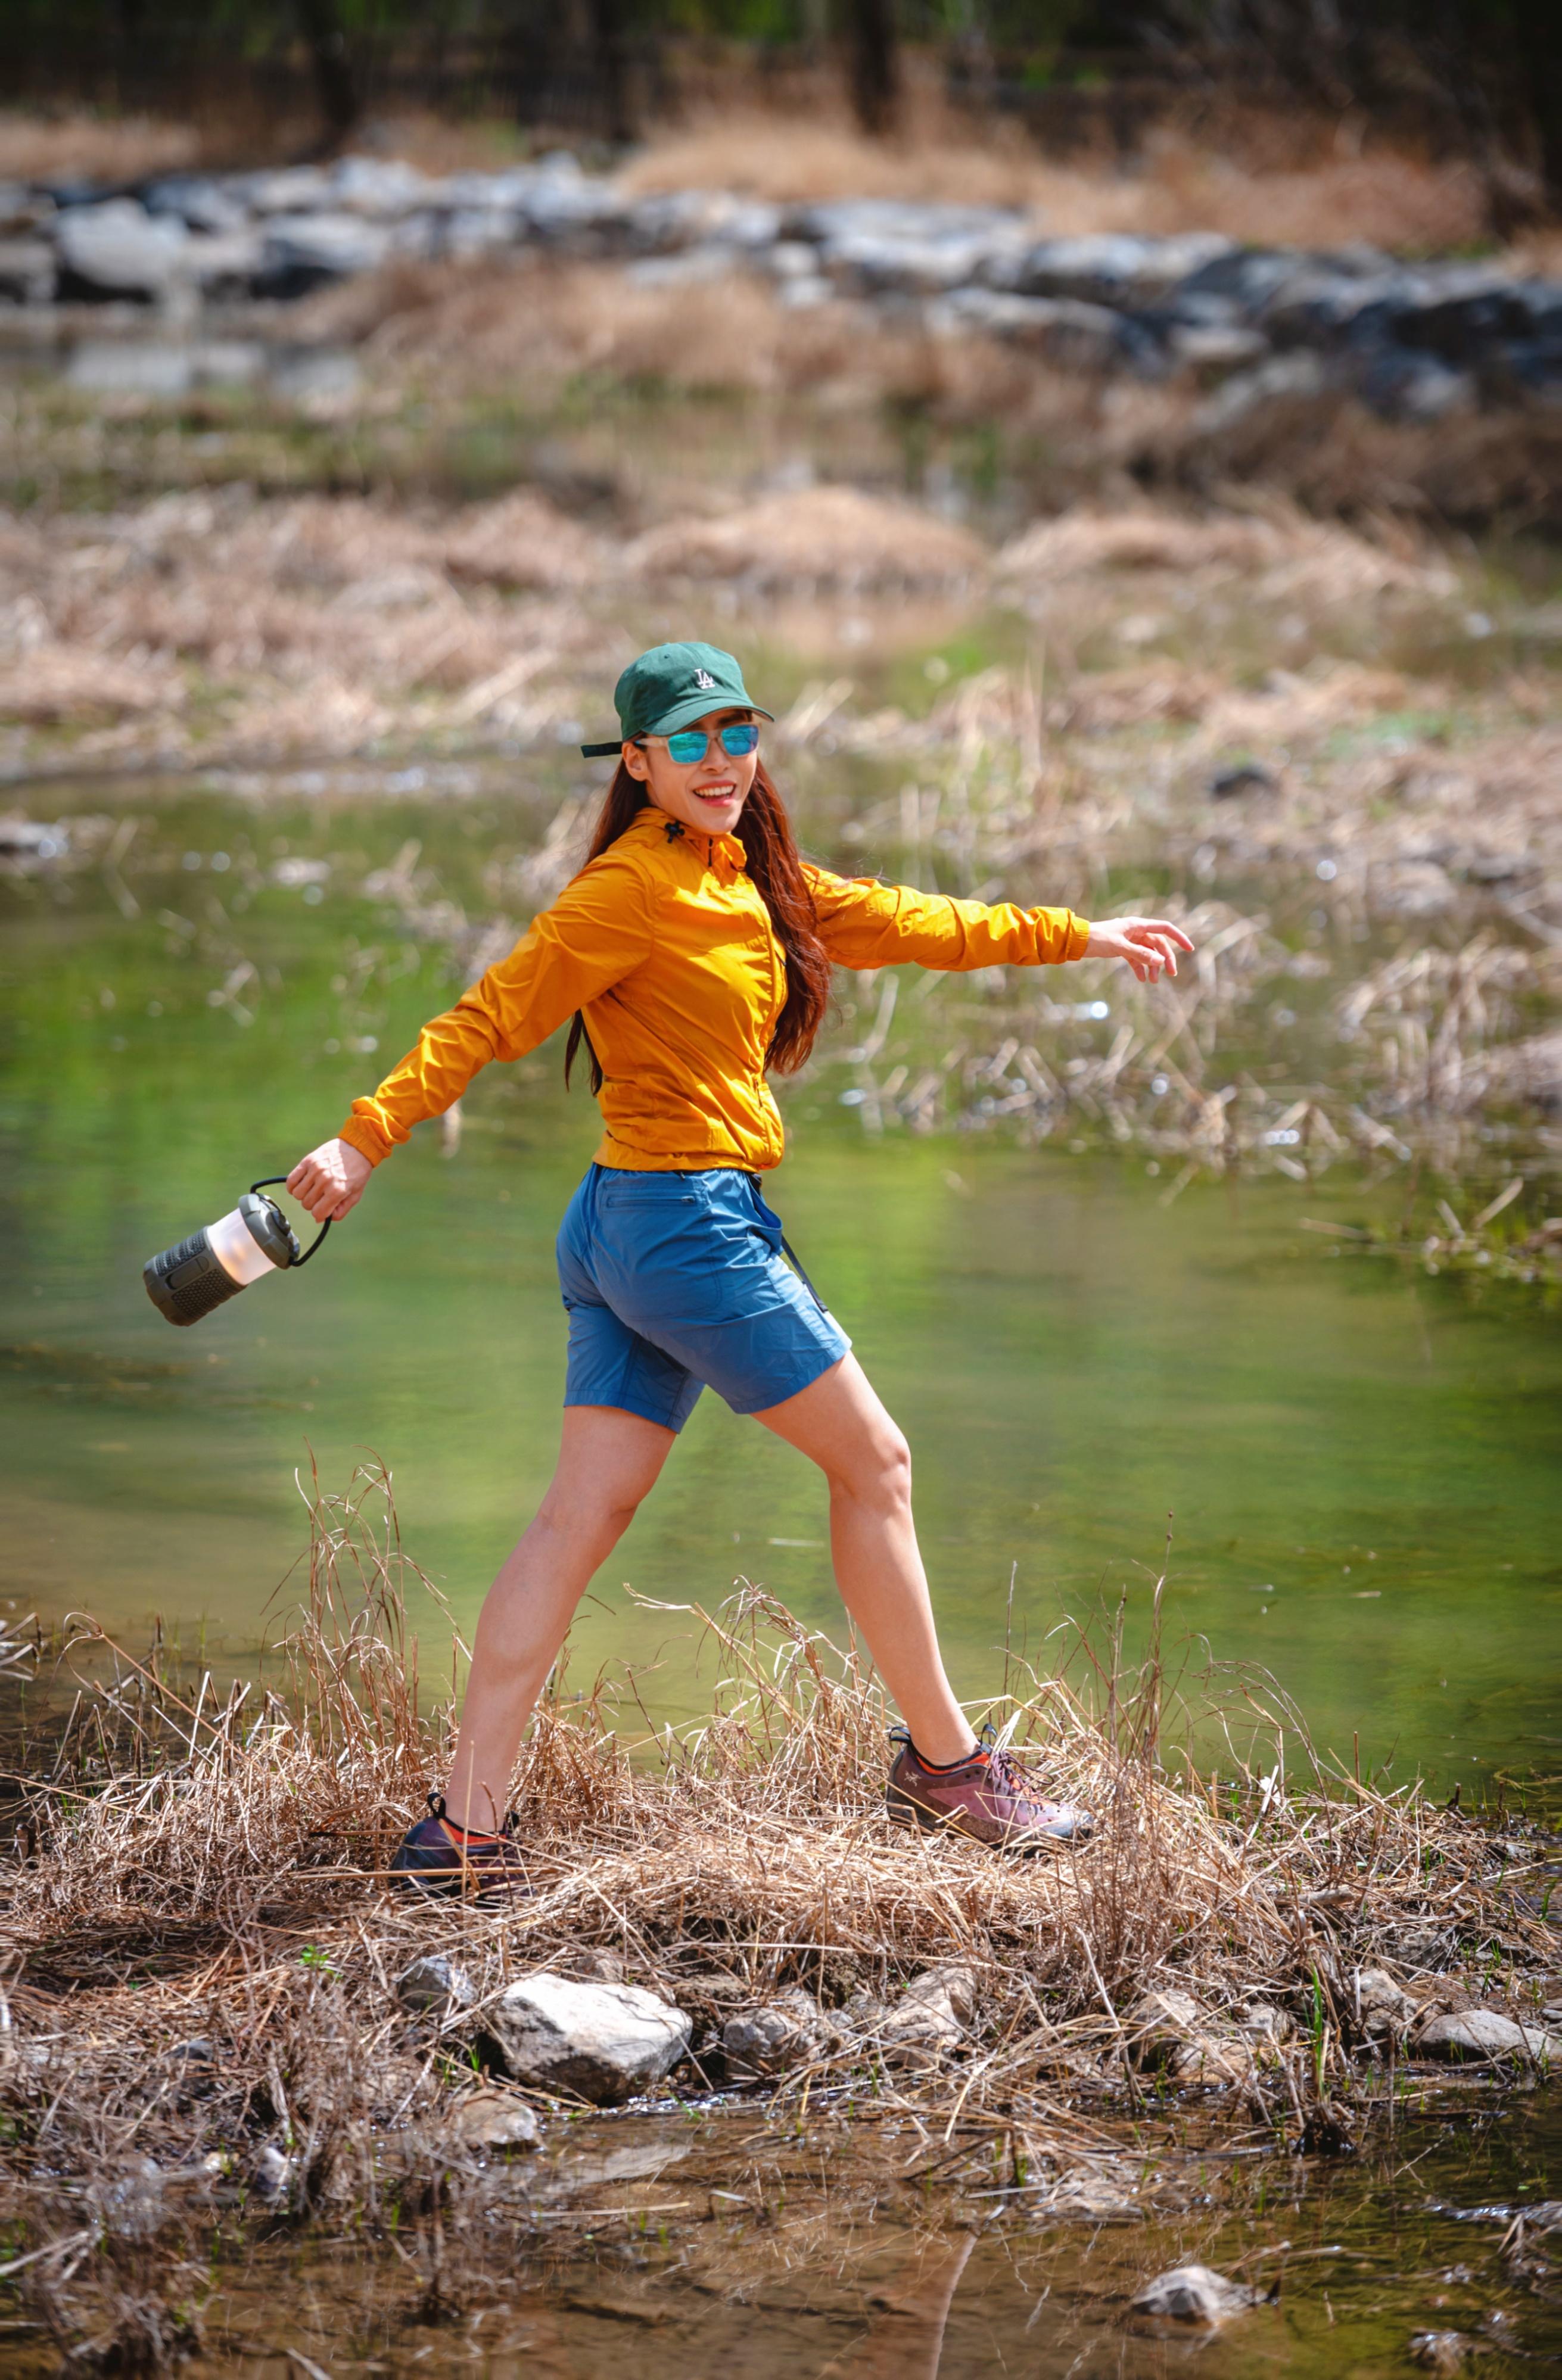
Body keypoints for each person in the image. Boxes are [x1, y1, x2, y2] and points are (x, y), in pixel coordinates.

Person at [286, 643, 1193, 1895]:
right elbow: (491, 1013)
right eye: (690, 741)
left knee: (577, 1516)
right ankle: (947, 1769)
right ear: (641, 762)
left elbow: (915, 922)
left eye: (737, 733)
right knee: (875, 1464)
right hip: (683, 1230)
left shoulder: (753, 879)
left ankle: (466, 1832)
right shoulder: (627, 891)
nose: (720, 760)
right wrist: (364, 1134)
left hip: (622, 1225)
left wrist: (1082, 936)